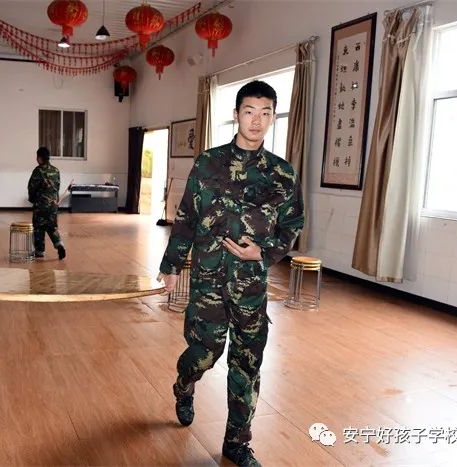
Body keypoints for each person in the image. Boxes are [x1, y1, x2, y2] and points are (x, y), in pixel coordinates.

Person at [157, 81, 304, 467]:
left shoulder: (282, 174)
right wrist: (171, 265)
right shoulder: (208, 163)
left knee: (247, 365)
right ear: (236, 114)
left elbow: (292, 224)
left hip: (251, 286)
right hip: (207, 282)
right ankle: (184, 385)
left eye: (266, 113)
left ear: (273, 118)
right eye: (249, 111)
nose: (257, 120)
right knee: (203, 355)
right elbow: (187, 217)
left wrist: (264, 253)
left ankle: (236, 443)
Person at [27, 146, 66, 260]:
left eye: (37, 157)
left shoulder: (38, 170)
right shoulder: (56, 170)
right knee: (52, 226)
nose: (36, 159)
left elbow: (31, 187)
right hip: (53, 204)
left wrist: (32, 199)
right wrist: (55, 200)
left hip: (41, 205)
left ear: (40, 158)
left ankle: (39, 251)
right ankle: (59, 244)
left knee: (39, 227)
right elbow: (57, 187)